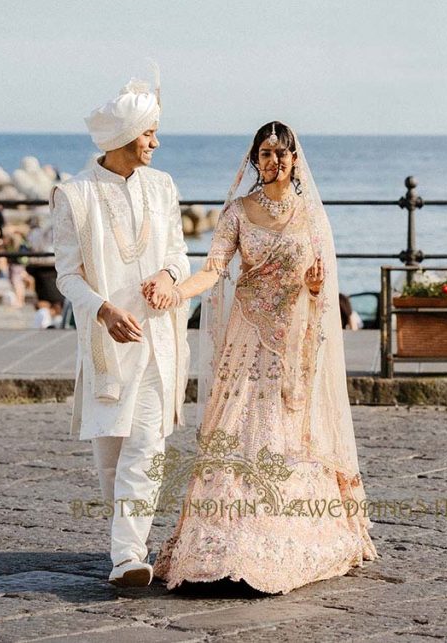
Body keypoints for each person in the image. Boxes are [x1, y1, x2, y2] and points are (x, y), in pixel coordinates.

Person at [146, 121, 378, 594]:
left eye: (281, 153)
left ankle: (285, 538)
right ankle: (218, 545)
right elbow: (213, 269)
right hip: (247, 334)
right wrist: (175, 291)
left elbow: (322, 287)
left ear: (295, 159)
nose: (273, 162)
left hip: (293, 337)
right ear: (254, 160)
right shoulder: (237, 211)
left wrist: (314, 287)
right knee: (233, 428)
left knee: (287, 431)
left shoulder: (310, 215)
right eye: (264, 154)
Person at [50, 72, 190, 588]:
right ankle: (124, 541)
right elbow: (67, 273)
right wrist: (105, 311)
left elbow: (177, 252)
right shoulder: (75, 195)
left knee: (147, 445)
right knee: (111, 455)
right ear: (126, 137)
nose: (156, 142)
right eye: (149, 133)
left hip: (157, 336)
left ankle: (128, 555)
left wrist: (168, 275)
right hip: (107, 340)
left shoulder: (163, 187)